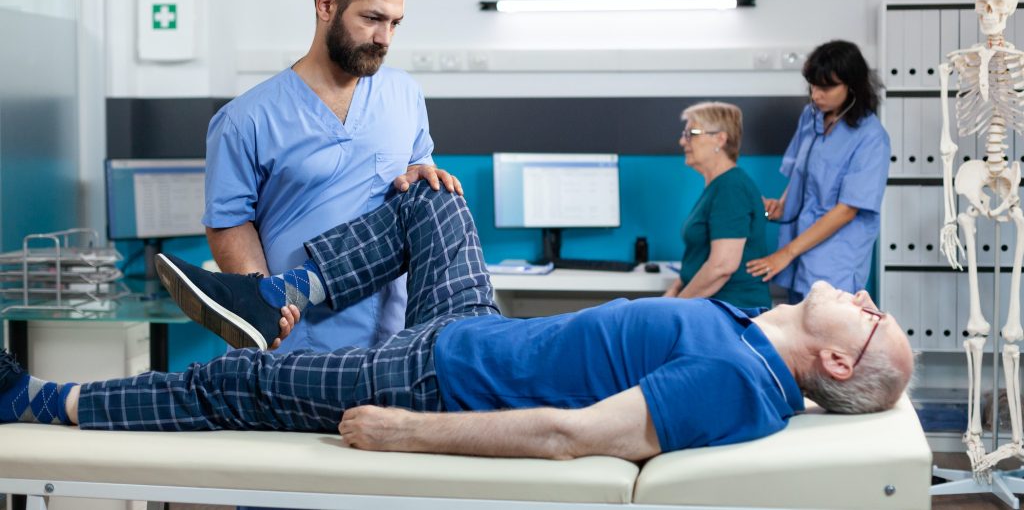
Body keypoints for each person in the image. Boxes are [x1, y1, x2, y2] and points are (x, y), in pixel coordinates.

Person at [1, 184, 914, 460]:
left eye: (874, 318)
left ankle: (38, 397)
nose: (868, 298)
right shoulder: (750, 329)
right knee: (431, 200)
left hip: (432, 382)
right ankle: (279, 295)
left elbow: (570, 434)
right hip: (474, 330)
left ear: (835, 360)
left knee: (226, 386)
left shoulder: (738, 383)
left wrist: (409, 432)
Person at [203, 0, 461, 353]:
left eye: (395, 23)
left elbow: (416, 174)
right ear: (327, 5)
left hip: (392, 342)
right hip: (299, 341)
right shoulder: (245, 119)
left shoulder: (404, 95)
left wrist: (421, 175)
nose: (385, 38)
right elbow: (227, 222)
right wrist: (265, 310)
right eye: (372, 19)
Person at [746, 40, 890, 303]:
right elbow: (801, 173)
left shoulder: (871, 138)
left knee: (827, 332)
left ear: (852, 85)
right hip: (800, 242)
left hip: (835, 256)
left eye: (825, 87)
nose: (815, 95)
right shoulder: (810, 117)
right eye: (812, 85)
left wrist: (786, 254)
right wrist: (781, 204)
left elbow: (847, 209)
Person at [662, 102, 771, 308]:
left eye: (691, 133)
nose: (682, 141)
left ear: (720, 139)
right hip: (710, 306)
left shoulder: (731, 187)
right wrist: (675, 291)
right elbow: (699, 258)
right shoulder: (719, 186)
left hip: (733, 311)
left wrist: (673, 309)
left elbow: (722, 266)